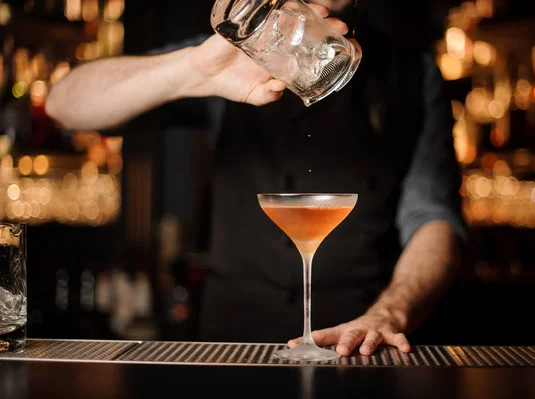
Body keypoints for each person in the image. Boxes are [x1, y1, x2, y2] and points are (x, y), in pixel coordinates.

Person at [46, 0, 467, 356]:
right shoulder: (234, 52)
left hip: (356, 346)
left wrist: (387, 313)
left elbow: (434, 217)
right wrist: (194, 71)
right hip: (231, 346)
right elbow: (65, 105)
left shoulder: (414, 74)